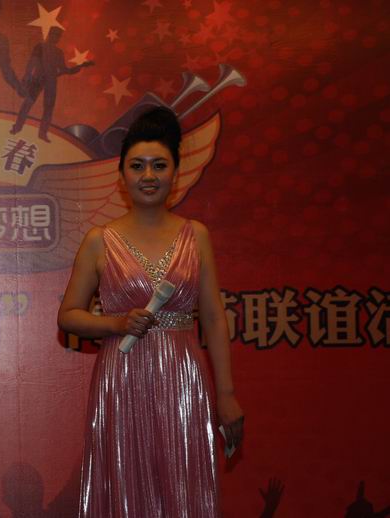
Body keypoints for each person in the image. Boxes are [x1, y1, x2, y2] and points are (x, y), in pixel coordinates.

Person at [57, 107, 244, 517]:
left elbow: (214, 319)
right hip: (121, 378)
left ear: (175, 173)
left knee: (183, 484)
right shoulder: (99, 239)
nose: (148, 175)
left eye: (159, 165)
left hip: (184, 377)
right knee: (126, 484)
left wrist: (226, 394)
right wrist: (115, 323)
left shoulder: (196, 235)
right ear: (121, 175)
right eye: (137, 165)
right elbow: (68, 315)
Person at [10, 27, 93, 142]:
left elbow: (64, 70)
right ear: (49, 34)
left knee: (48, 108)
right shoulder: (40, 46)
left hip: (51, 82)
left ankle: (42, 133)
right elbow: (32, 62)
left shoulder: (58, 52)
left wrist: (81, 66)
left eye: (58, 36)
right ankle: (17, 127)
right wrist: (26, 78)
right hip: (37, 80)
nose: (56, 38)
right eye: (54, 34)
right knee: (27, 104)